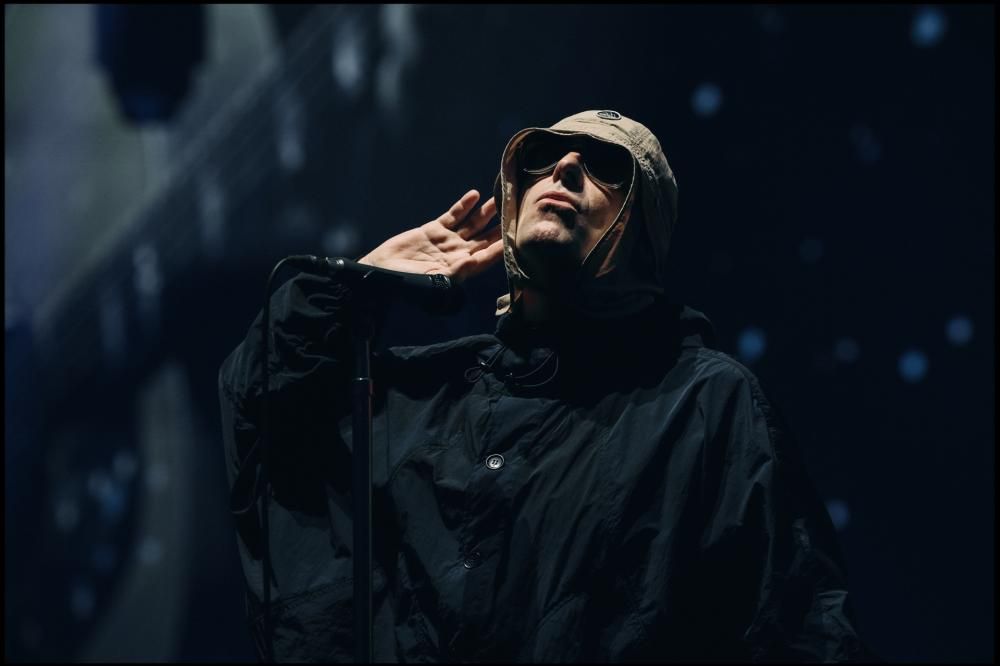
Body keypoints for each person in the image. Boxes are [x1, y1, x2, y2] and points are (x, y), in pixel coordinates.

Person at [218, 110, 873, 662]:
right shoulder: (425, 396)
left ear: (643, 230)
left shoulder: (703, 404)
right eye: (541, 156)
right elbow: (262, 420)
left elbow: (798, 626)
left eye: (607, 165)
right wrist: (353, 286)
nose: (564, 167)